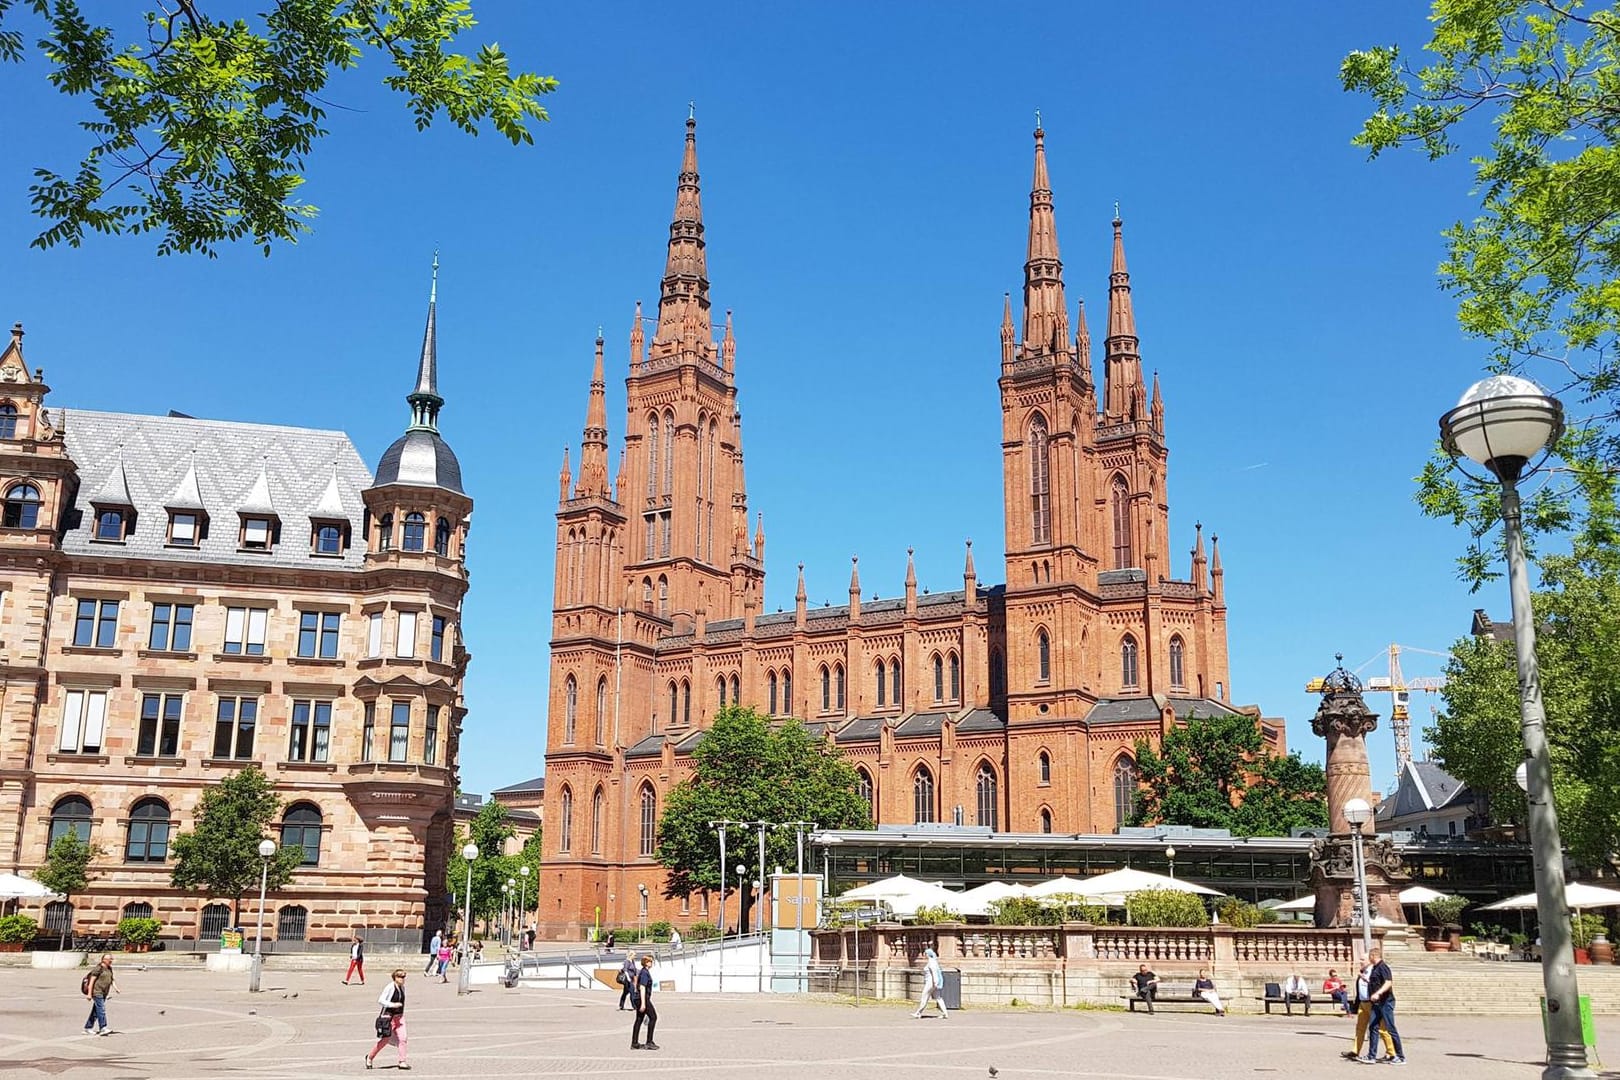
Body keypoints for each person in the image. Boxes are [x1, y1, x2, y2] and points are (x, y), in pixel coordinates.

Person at [1345, 956, 1395, 1062]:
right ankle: (1355, 1051)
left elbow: (1380, 984)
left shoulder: (1375, 971)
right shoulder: (1362, 972)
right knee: (1360, 1028)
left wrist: (1365, 979)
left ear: (1369, 960)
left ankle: (1391, 1052)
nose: (1360, 961)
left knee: (1382, 1029)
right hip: (1362, 1003)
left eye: (1363, 959)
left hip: (1374, 1004)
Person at [1363, 947, 1405, 1065]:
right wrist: (1367, 981)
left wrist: (1378, 993)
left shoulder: (1383, 967)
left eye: (1369, 957)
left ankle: (1400, 1056)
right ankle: (1371, 1056)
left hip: (1385, 1002)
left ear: (1373, 956)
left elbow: (1388, 982)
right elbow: (1378, 982)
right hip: (1376, 1003)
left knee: (1390, 1028)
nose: (1368, 959)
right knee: (1373, 1027)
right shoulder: (1375, 968)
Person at [366, 969, 409, 1070]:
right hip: (389, 1018)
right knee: (384, 1040)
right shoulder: (390, 987)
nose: (402, 979)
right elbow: (381, 1000)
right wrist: (392, 1005)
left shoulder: (402, 988)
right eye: (400, 977)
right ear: (395, 978)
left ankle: (402, 1061)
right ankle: (370, 1057)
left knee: (403, 1038)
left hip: (399, 1017)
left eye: (403, 977)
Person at [82, 954, 117, 1035]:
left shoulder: (109, 968)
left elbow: (111, 979)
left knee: (96, 1011)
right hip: (97, 992)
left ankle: (88, 1027)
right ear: (104, 960)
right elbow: (91, 981)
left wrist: (116, 988)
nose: (111, 961)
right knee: (101, 1009)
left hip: (104, 992)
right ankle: (103, 1028)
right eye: (109, 959)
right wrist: (89, 994)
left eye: (111, 959)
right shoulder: (98, 968)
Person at [631, 953, 660, 1050]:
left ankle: (634, 1043)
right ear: (646, 963)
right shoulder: (644, 973)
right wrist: (643, 1003)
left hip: (638, 998)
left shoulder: (643, 972)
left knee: (639, 1019)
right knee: (653, 1017)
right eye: (650, 961)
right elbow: (642, 987)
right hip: (642, 998)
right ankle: (649, 1041)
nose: (652, 963)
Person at [912, 947, 949, 1019]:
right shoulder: (932, 961)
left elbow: (934, 973)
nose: (924, 955)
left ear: (927, 954)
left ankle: (918, 1013)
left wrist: (935, 982)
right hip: (933, 982)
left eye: (925, 953)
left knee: (924, 996)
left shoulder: (931, 962)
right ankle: (945, 1013)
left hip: (931, 982)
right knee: (938, 997)